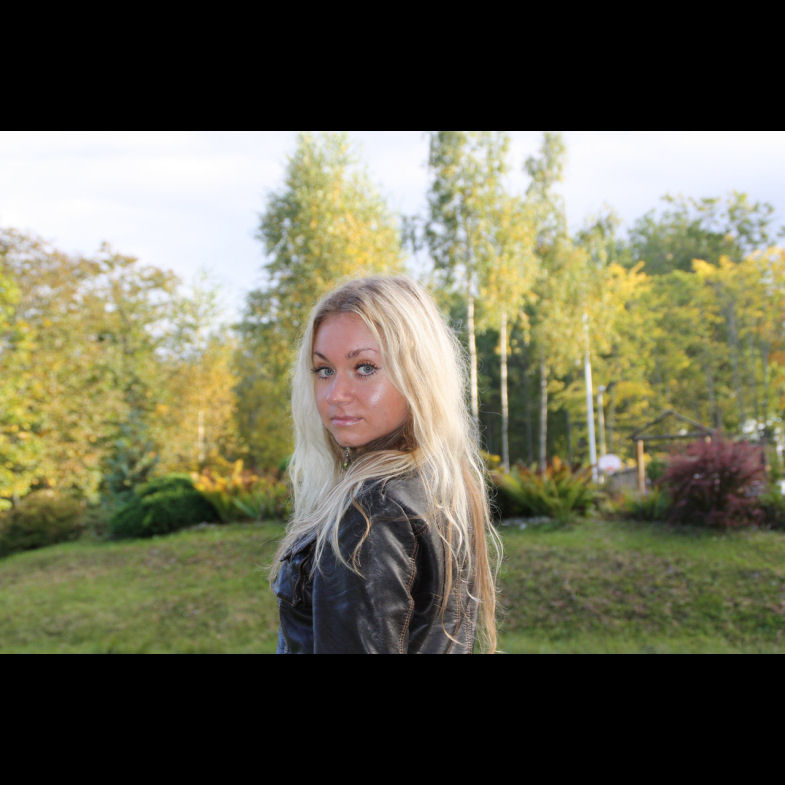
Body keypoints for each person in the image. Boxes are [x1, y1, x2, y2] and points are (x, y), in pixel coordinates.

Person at [270, 275, 500, 653]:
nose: (336, 395)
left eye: (364, 367)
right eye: (324, 370)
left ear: (418, 373)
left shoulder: (369, 512)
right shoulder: (436, 484)